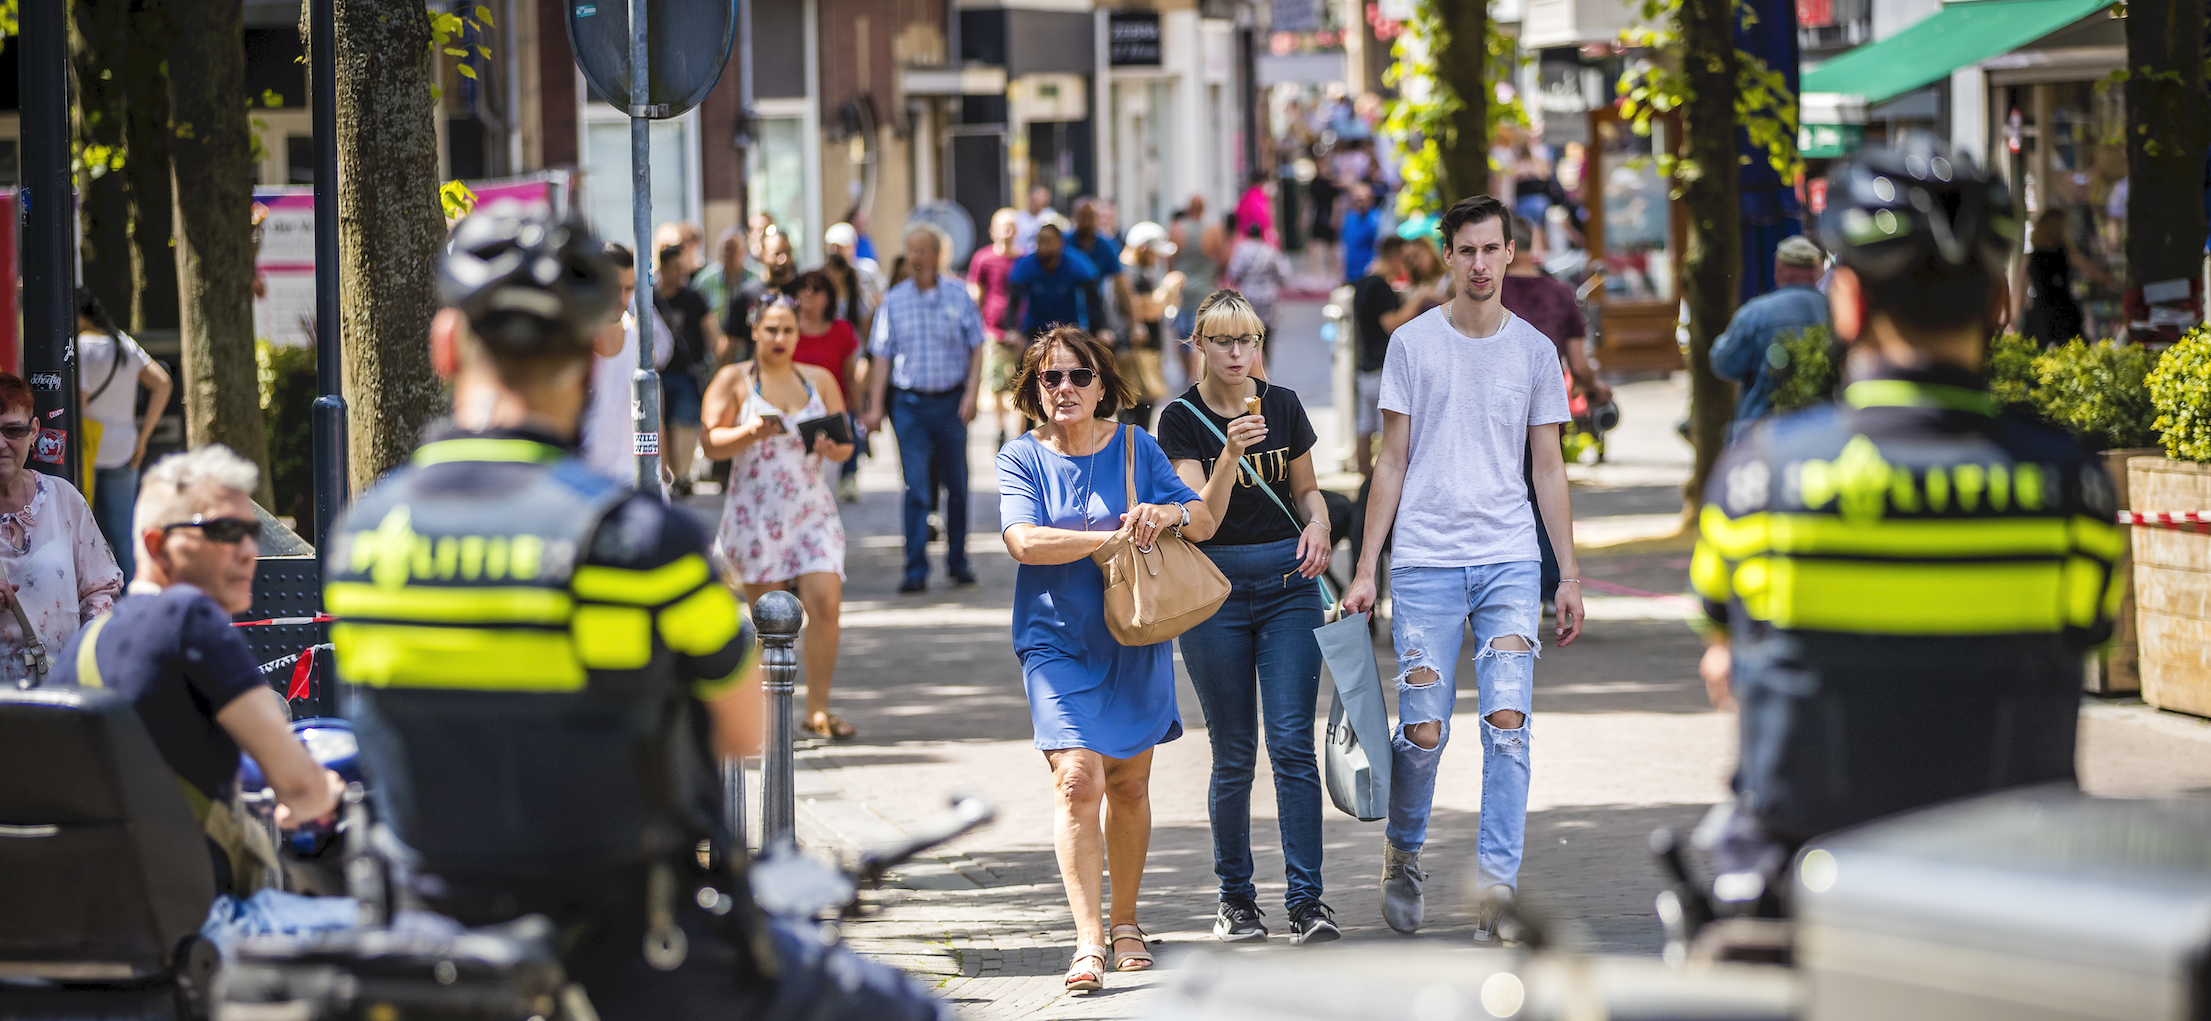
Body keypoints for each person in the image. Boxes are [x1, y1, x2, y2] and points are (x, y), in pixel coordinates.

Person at [325, 206, 943, 1019]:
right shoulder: (637, 541)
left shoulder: (364, 538)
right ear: (593, 356)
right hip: (621, 946)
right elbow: (744, 731)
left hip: (431, 938)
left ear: (446, 344)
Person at [1692, 136, 2125, 909]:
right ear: (1999, 301)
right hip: (2020, 902)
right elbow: (2082, 640)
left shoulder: (1759, 483)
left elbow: (1727, 657)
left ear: (1847, 301)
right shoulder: (2073, 490)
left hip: (1809, 902)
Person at [1341, 195, 1585, 942]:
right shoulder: (1413, 345)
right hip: (1424, 560)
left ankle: (1496, 890)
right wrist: (1365, 569)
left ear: (1512, 252)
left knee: (1506, 725)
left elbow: (1548, 470)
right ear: (1445, 257)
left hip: (1509, 556)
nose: (1479, 264)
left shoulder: (1535, 351)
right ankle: (1403, 852)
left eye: (1491, 249)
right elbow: (1390, 460)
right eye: (1466, 251)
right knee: (1421, 730)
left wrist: (1566, 573)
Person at [996, 327, 1216, 992]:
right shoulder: (1020, 457)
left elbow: (1198, 517)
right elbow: (1023, 541)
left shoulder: (1135, 446)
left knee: (1127, 786)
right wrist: (1107, 533)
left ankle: (1126, 922)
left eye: (1077, 377)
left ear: (1102, 385)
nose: (1064, 389)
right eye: (1050, 378)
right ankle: (1088, 937)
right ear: (1034, 389)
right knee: (1077, 780)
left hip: (1133, 633)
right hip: (1054, 640)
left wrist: (1159, 515)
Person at [52, 445, 341, 892]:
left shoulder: (81, 647)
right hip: (200, 925)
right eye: (223, 531)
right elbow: (302, 790)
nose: (248, 550)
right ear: (156, 545)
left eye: (251, 531)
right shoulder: (190, 618)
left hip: (99, 915)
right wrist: (329, 793)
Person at [1154, 291, 1337, 946]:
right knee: (1232, 751)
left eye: (1247, 340)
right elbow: (1196, 518)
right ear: (1197, 344)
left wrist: (1318, 522)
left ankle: (1308, 900)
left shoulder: (1282, 403)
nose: (1237, 354)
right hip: (1214, 593)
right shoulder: (1177, 418)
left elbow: (1306, 488)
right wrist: (1229, 452)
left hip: (1289, 585)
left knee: (1290, 743)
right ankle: (1235, 900)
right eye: (1223, 341)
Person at [703, 296, 858, 740]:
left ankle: (818, 710)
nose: (779, 338)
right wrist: (749, 431)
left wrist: (834, 447)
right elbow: (711, 442)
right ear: (754, 330)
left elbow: (846, 444)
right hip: (756, 517)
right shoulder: (733, 380)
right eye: (771, 329)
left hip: (812, 513)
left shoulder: (819, 379)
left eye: (788, 330)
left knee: (826, 603)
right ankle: (762, 721)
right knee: (767, 623)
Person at [864, 226, 988, 594]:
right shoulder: (894, 300)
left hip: (950, 403)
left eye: (922, 251)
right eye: (911, 251)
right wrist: (874, 407)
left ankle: (958, 562)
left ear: (937, 256)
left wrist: (971, 393)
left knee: (958, 486)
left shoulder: (958, 295)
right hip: (910, 405)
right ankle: (915, 568)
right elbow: (881, 358)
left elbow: (977, 346)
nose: (915, 258)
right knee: (916, 486)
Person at [0, 373, 123, 687]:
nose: (1, 443)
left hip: (58, 696)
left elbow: (101, 592)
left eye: (12, 430)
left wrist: (82, 661)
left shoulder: (63, 498)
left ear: (34, 431)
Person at [75, 287, 174, 577]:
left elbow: (78, 404)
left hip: (88, 452)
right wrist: (143, 438)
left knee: (85, 533)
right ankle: (136, 596)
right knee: (126, 534)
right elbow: (163, 383)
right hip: (125, 450)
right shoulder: (124, 343)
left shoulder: (81, 348)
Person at [1711, 235, 1830, 436]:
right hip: (1824, 431)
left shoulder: (1755, 314)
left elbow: (1723, 363)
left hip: (1761, 435)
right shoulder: (1839, 313)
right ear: (1816, 272)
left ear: (1779, 270)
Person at [580, 244, 672, 485]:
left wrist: (660, 474)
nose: (621, 299)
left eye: (628, 289)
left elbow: (653, 410)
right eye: (613, 288)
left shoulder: (639, 336)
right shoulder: (572, 341)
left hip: (636, 482)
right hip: (587, 484)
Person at [1502, 216, 1609, 409]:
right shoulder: (1559, 292)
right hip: (1546, 412)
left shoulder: (1489, 293)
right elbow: (1578, 366)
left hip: (1499, 415)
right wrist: (1595, 391)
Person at [791, 271, 866, 504]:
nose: (808, 293)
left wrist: (859, 414)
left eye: (816, 289)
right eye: (803, 287)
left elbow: (849, 376)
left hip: (829, 414)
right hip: (791, 412)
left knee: (823, 487)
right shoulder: (785, 330)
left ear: (828, 297)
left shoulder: (841, 330)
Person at [655, 242, 718, 496]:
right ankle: (670, 476)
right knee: (663, 425)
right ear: (664, 267)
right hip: (658, 373)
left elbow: (709, 330)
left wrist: (716, 356)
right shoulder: (650, 296)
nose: (681, 274)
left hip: (687, 372)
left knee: (683, 423)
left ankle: (681, 477)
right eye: (675, 269)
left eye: (683, 269)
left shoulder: (693, 297)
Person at [1348, 236, 1407, 479]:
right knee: (1387, 431)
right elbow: (1391, 324)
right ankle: (1383, 480)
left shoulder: (1361, 283)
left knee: (1364, 426)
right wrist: (1418, 301)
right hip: (1382, 367)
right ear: (1395, 257)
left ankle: (1365, 478)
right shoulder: (1380, 286)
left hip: (1364, 367)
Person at [968, 207, 1026, 447]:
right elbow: (975, 293)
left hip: (1021, 332)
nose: (1007, 232)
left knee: (1023, 382)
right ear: (993, 231)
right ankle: (1002, 427)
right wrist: (979, 327)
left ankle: (1020, 431)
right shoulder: (983, 259)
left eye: (1011, 226)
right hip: (993, 330)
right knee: (996, 383)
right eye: (1003, 226)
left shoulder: (1024, 261)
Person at [1118, 223, 1184, 427]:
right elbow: (1143, 309)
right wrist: (1166, 290)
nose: (1157, 259)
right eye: (1154, 253)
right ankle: (1130, 458)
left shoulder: (1140, 271)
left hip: (1145, 354)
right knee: (1133, 417)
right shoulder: (1128, 273)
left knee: (1143, 414)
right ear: (1143, 249)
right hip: (1134, 355)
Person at [1004, 223, 1105, 340]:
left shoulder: (1075, 263)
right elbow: (1013, 300)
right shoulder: (1026, 265)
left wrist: (1098, 329)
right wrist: (1012, 330)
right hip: (1036, 330)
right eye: (1040, 241)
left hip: (1068, 330)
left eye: (1048, 241)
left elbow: (1093, 298)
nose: (1043, 245)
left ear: (1060, 242)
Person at [2014, 209, 2090, 347]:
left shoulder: (2031, 258)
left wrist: (2015, 316)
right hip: (2066, 315)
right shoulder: (2067, 254)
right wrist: (2115, 282)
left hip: (2040, 315)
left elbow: (2021, 290)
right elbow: (2091, 271)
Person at [1070, 199, 1135, 348]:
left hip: (1096, 310)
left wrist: (1134, 324)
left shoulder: (1106, 246)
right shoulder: (1065, 244)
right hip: (1067, 310)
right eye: (1082, 217)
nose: (1086, 222)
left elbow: (1122, 287)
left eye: (1090, 217)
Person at [727, 227, 800, 347]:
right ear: (763, 254)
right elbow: (731, 342)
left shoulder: (806, 291)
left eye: (787, 253)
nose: (783, 260)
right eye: (776, 254)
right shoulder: (746, 295)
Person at [1223, 221, 1291, 345]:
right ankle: (1265, 360)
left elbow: (1233, 273)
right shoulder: (1270, 250)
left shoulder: (1241, 250)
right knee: (1267, 335)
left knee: (1250, 334)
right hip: (1268, 297)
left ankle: (1255, 361)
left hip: (1249, 295)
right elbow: (1283, 275)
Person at [1340, 183, 1386, 284]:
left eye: (1362, 200)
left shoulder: (1376, 219)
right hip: (1350, 273)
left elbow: (1380, 246)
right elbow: (1344, 244)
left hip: (1367, 272)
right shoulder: (1349, 218)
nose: (1359, 203)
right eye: (1356, 200)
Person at [1014, 185, 1055, 254]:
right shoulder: (1019, 217)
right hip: (1022, 255)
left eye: (1039, 199)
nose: (1035, 202)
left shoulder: (1051, 216)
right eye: (1033, 199)